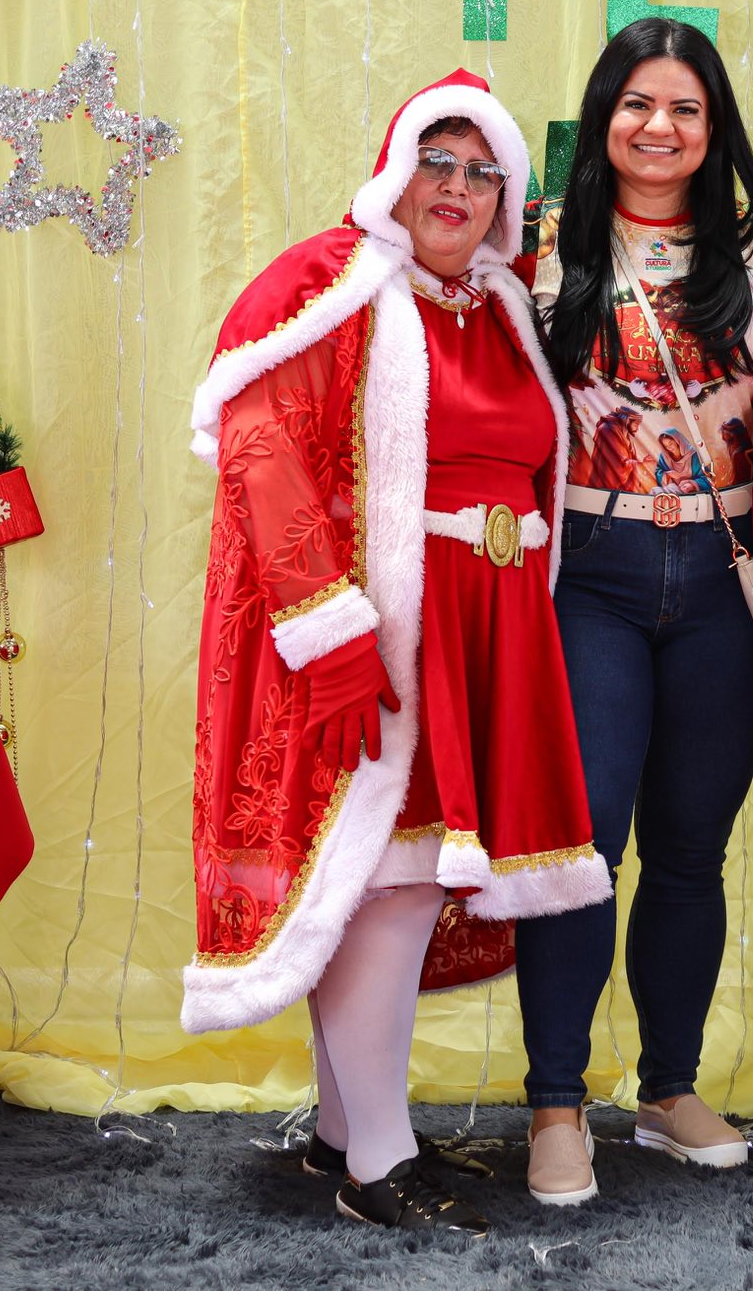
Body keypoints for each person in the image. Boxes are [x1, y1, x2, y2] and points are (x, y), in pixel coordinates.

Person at [181, 70, 611, 1236]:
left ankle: (342, 1129)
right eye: (437, 162)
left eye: (482, 173)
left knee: (398, 879)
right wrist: (327, 624)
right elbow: (258, 447)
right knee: (385, 879)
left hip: (485, 625)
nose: (457, 189)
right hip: (382, 628)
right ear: (394, 171)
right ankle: (380, 1158)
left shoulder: (501, 305)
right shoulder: (333, 284)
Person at [516, 16, 753, 1206]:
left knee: (690, 846)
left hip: (722, 574)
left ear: (715, 126)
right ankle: (554, 1103)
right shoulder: (535, 238)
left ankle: (667, 1089)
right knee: (582, 846)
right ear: (602, 115)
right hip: (586, 569)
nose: (659, 126)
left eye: (685, 107)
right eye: (637, 103)